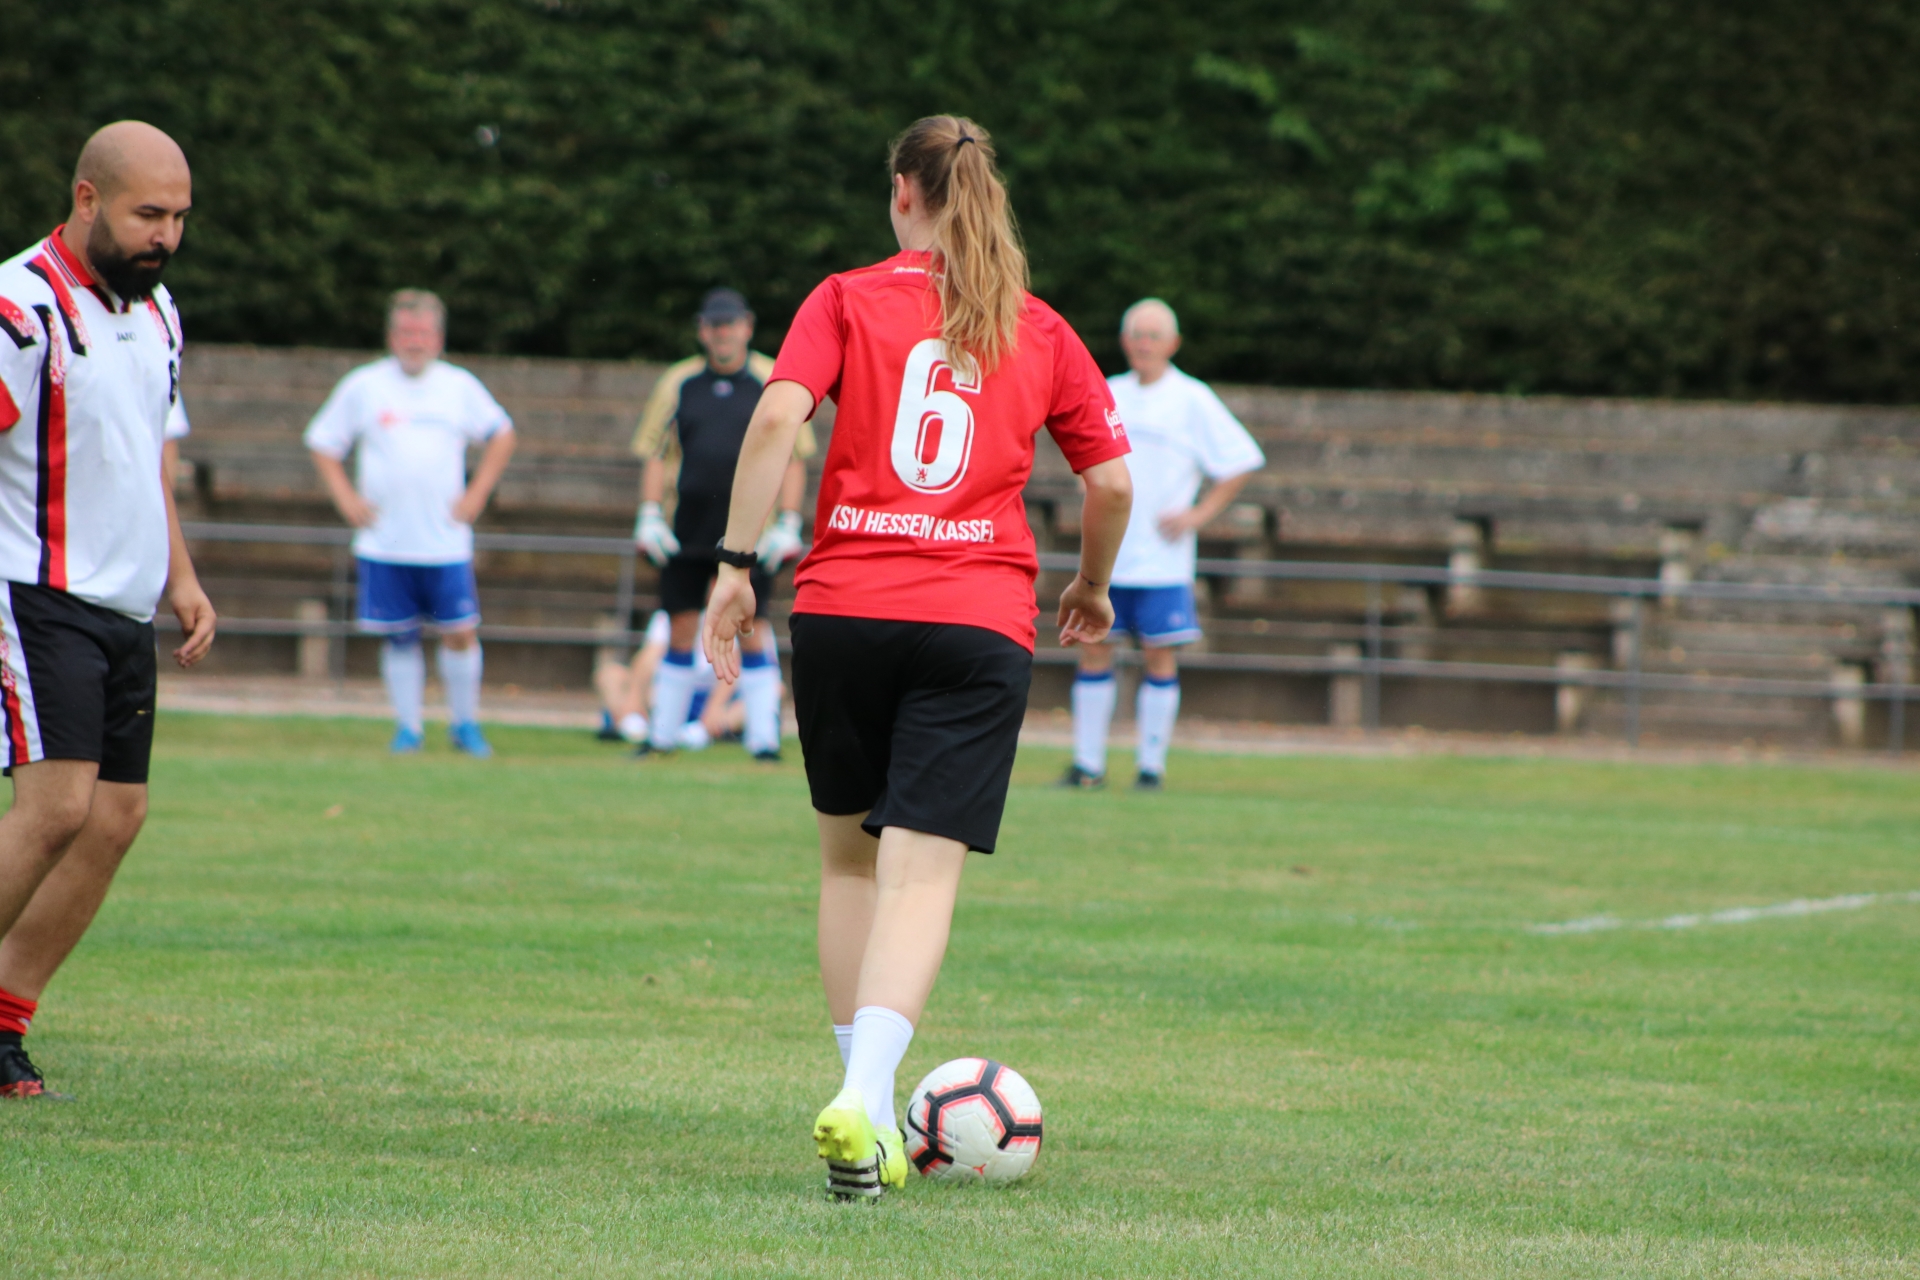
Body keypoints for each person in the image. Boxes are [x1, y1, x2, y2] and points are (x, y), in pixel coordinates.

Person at [702, 115, 1133, 1199]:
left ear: (903, 190)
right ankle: (865, 1099)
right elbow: (1113, 481)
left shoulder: (844, 297)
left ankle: (866, 1104)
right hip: (975, 621)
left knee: (849, 863)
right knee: (921, 873)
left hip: (844, 610)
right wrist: (1091, 584)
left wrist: (734, 565)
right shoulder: (1038, 324)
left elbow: (776, 419)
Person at [0, 122, 218, 1099]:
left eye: (179, 217)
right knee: (57, 807)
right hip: (34, 592)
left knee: (115, 818)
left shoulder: (157, 311)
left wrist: (182, 575)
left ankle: (4, 1017)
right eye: (147, 215)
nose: (165, 235)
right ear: (87, 199)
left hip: (124, 607)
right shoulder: (20, 309)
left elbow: (145, 455)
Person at [1059, 298, 1264, 791]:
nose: (1144, 344)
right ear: (1124, 340)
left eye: (1154, 336)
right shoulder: (1109, 391)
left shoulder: (1192, 398)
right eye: (1137, 335)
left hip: (1163, 561)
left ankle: (1151, 767)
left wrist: (1198, 515)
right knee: (1094, 651)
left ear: (1173, 343)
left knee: (1159, 655)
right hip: (1109, 558)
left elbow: (1240, 459)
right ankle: (1088, 765)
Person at [304, 291, 516, 757]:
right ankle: (409, 729)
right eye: (405, 332)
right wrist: (346, 498)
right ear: (391, 336)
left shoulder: (458, 386)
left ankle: (465, 725)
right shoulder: (365, 385)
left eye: (422, 332)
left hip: (444, 541)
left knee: (460, 632)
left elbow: (502, 433)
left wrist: (477, 493)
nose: (414, 341)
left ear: (438, 338)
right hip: (385, 541)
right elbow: (322, 441)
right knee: (399, 636)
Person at [629, 288, 813, 761]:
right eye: (714, 325)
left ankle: (763, 741)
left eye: (730, 324)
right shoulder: (680, 382)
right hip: (686, 529)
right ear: (702, 330)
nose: (723, 333)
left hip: (751, 533)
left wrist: (789, 522)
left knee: (752, 627)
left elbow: (795, 455)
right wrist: (649, 513)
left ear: (747, 327)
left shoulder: (771, 377)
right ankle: (662, 737)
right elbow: (656, 450)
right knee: (680, 626)